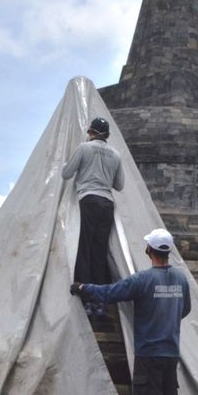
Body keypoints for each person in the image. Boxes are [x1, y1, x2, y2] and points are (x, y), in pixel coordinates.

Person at [71, 228, 191, 395]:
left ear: (149, 250)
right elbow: (184, 310)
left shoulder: (143, 280)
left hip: (148, 354)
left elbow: (110, 293)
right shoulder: (181, 279)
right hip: (170, 353)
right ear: (168, 252)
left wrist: (83, 288)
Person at [62, 116, 125, 317]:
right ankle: (100, 301)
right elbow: (119, 185)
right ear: (106, 135)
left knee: (84, 248)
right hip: (107, 203)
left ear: (91, 132)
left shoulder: (83, 148)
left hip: (88, 199)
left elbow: (66, 173)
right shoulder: (116, 155)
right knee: (99, 251)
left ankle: (85, 296)